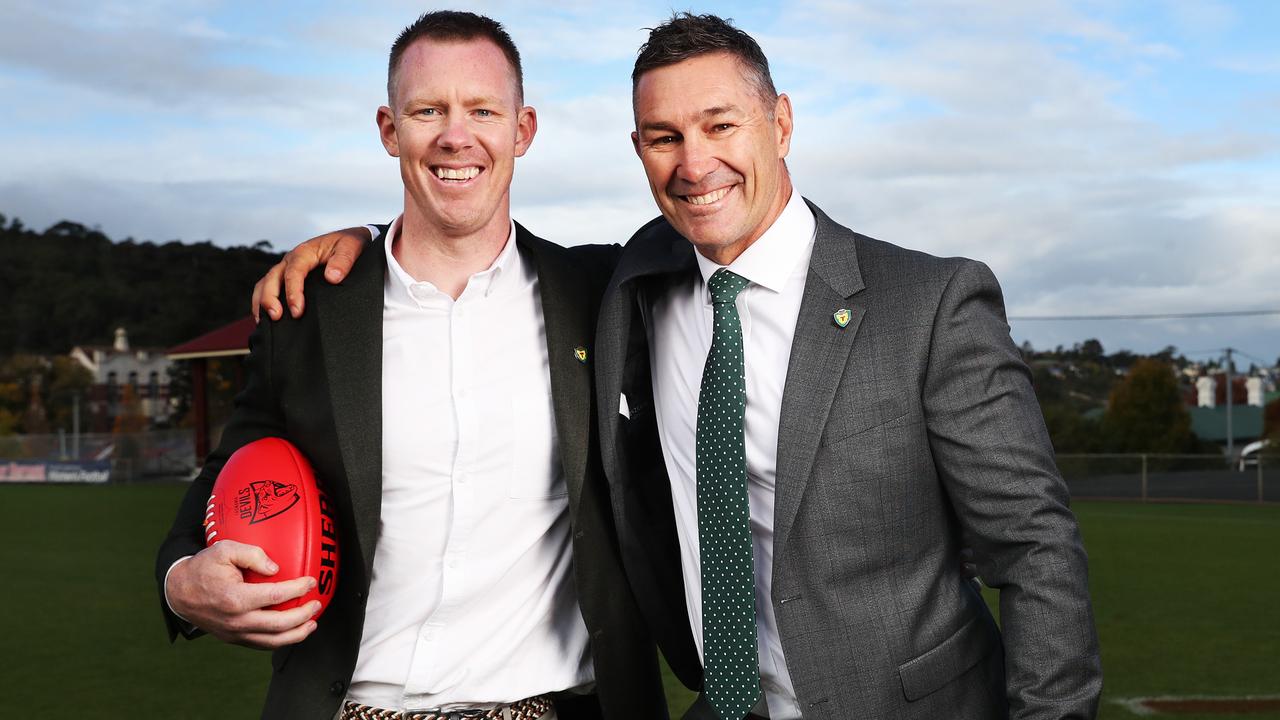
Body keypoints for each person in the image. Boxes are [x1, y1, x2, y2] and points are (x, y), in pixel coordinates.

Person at [257, 13, 1102, 720]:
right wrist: (363, 245)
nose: (694, 164)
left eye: (721, 125)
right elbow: (455, 234)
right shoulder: (632, 288)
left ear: (781, 122)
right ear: (638, 148)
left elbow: (1034, 548)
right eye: (665, 137)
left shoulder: (930, 300)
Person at [156, 11, 664, 720]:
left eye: (482, 110)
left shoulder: (597, 292)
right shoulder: (310, 315)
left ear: (522, 130)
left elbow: (723, 232)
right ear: (390, 129)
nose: (457, 135)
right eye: (429, 110)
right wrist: (182, 580)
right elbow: (227, 476)